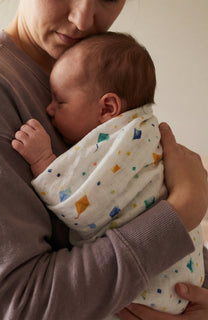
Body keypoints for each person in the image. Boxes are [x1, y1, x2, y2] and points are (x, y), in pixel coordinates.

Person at [0, 0, 208, 319]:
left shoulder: (98, 69)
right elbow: (22, 306)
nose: (83, 19)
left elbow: (140, 205)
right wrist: (185, 209)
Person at [11, 32, 204, 317]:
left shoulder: (125, 143)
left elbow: (84, 208)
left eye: (60, 102)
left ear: (107, 108)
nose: (49, 110)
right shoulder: (139, 131)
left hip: (152, 291)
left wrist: (43, 159)